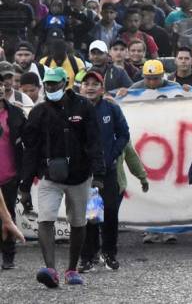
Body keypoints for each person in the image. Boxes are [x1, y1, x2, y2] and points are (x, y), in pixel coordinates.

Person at [19, 67, 105, 288]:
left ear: (65, 83)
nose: (50, 88)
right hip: (50, 176)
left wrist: (98, 175)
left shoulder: (83, 106)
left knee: (78, 222)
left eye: (55, 84)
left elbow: (94, 141)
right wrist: (25, 185)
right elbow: (31, 149)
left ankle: (72, 269)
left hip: (80, 176)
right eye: (47, 84)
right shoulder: (38, 112)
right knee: (45, 219)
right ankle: (50, 269)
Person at [77, 71, 130, 273]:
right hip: (85, 173)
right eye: (86, 83)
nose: (90, 87)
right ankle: (87, 257)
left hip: (107, 171)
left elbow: (124, 134)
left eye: (94, 84)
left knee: (110, 212)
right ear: (80, 87)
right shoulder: (75, 109)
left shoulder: (111, 109)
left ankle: (109, 253)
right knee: (90, 215)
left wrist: (113, 154)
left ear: (102, 88)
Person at [0, 92, 26, 270]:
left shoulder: (15, 113)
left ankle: (8, 256)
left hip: (9, 174)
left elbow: (29, 138)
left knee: (8, 215)